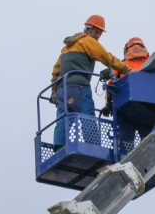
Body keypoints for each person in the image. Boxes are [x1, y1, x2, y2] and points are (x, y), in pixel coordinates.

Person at [51, 14, 129, 149]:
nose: (98, 35)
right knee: (87, 115)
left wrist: (54, 92)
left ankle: (59, 147)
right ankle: (93, 147)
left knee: (64, 117)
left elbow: (56, 71)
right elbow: (106, 57)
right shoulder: (87, 41)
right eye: (96, 31)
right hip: (79, 87)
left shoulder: (66, 48)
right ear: (88, 28)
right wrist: (127, 69)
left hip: (62, 89)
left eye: (100, 32)